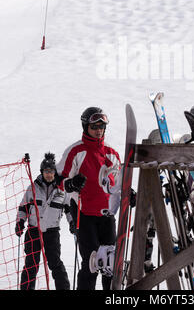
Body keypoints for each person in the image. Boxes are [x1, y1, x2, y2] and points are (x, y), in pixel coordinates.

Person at [56, 107, 121, 290]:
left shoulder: (112, 153)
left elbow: (119, 183)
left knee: (110, 264)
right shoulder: (76, 151)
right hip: (84, 215)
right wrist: (70, 184)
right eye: (94, 126)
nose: (98, 130)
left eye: (101, 126)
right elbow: (59, 179)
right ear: (86, 126)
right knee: (92, 262)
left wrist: (128, 193)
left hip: (107, 215)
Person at [15, 153, 72, 290]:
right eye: (46, 171)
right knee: (31, 264)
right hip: (34, 230)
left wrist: (72, 224)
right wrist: (20, 222)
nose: (49, 174)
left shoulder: (62, 190)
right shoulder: (33, 188)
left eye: (51, 171)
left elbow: (69, 210)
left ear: (54, 172)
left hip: (52, 232)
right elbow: (23, 207)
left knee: (55, 263)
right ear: (42, 172)